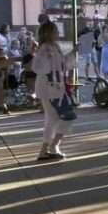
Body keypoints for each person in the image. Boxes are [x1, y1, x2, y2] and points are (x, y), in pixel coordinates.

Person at [32, 21, 75, 161]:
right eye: (55, 31)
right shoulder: (45, 49)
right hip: (50, 88)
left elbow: (61, 64)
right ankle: (51, 146)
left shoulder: (54, 47)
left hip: (54, 87)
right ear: (48, 33)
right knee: (62, 117)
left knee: (53, 118)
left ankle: (48, 148)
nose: (57, 33)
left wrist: (72, 53)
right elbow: (39, 67)